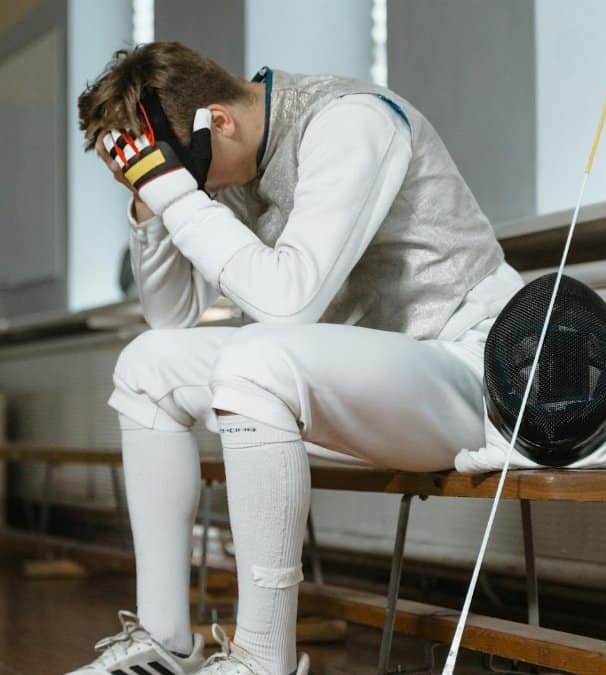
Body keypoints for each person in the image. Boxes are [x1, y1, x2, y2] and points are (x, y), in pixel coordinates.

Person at [69, 41, 523, 675]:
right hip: (360, 383)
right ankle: (165, 642)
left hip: (467, 371)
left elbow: (289, 306)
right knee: (147, 367)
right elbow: (171, 319)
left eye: (175, 173)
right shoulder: (222, 164)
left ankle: (262, 659)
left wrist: (179, 194)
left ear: (217, 122)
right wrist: (149, 204)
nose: (187, 189)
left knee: (259, 354)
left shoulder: (351, 122)